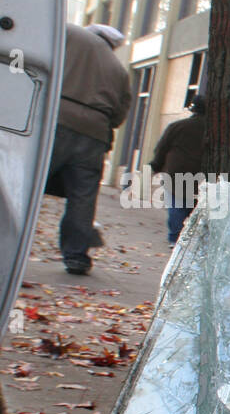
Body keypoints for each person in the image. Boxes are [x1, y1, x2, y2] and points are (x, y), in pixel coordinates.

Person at [47, 23, 133, 275]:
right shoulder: (119, 70)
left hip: (57, 120)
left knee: (28, 184)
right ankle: (76, 256)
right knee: (82, 197)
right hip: (95, 134)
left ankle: (8, 237)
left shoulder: (69, 35)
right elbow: (119, 115)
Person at [149, 96, 206, 244]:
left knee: (176, 206)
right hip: (202, 176)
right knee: (195, 208)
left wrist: (156, 165)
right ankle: (192, 241)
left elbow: (162, 148)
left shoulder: (177, 126)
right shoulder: (215, 131)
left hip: (177, 174)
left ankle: (175, 238)